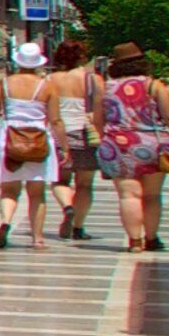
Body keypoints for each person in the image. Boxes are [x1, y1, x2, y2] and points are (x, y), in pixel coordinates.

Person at [102, 42, 169, 252]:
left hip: (118, 144)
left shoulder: (107, 87)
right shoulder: (154, 85)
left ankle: (135, 241)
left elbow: (98, 118)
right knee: (152, 196)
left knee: (128, 195)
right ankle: (151, 238)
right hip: (152, 144)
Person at [0, 40, 58, 249]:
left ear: (17, 61)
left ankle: (6, 221)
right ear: (38, 63)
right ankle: (37, 238)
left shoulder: (2, 84)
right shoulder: (47, 86)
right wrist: (63, 146)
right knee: (37, 193)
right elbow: (55, 119)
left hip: (9, 137)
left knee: (9, 190)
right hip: (38, 139)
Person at [52, 38, 107, 241]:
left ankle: (67, 207)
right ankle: (78, 227)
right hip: (85, 134)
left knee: (60, 180)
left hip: (58, 135)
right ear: (82, 56)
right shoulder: (93, 79)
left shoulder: (51, 80)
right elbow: (100, 111)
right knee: (85, 185)